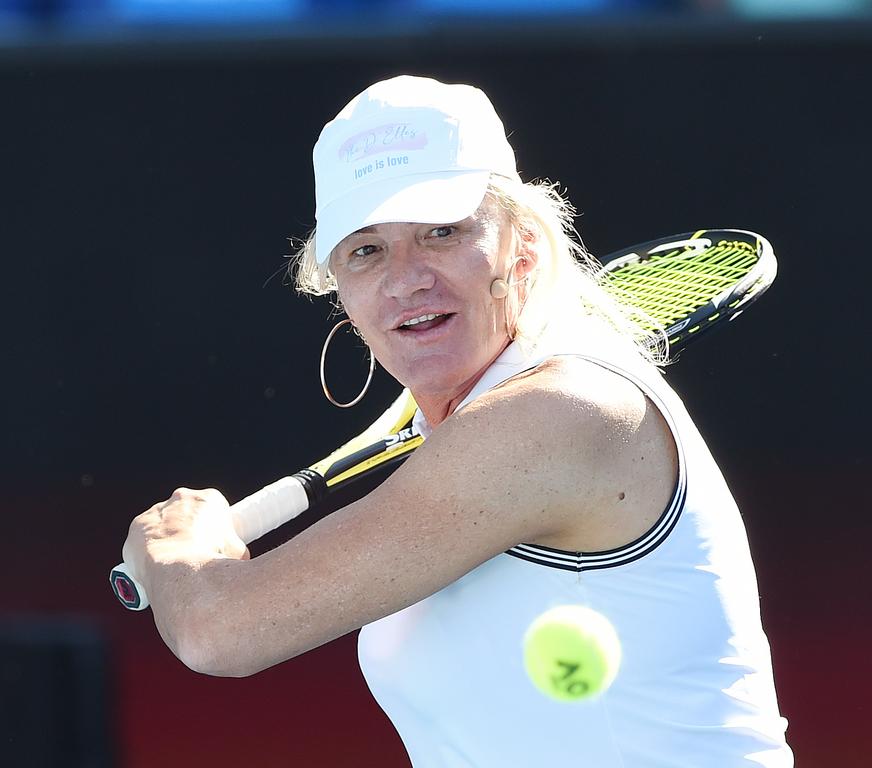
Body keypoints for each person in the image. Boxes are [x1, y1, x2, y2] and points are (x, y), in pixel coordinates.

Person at [121, 74, 794, 767]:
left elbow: (220, 631)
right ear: (340, 292)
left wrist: (176, 549)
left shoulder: (559, 412)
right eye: (366, 250)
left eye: (442, 232)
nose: (407, 277)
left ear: (521, 248)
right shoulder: (480, 421)